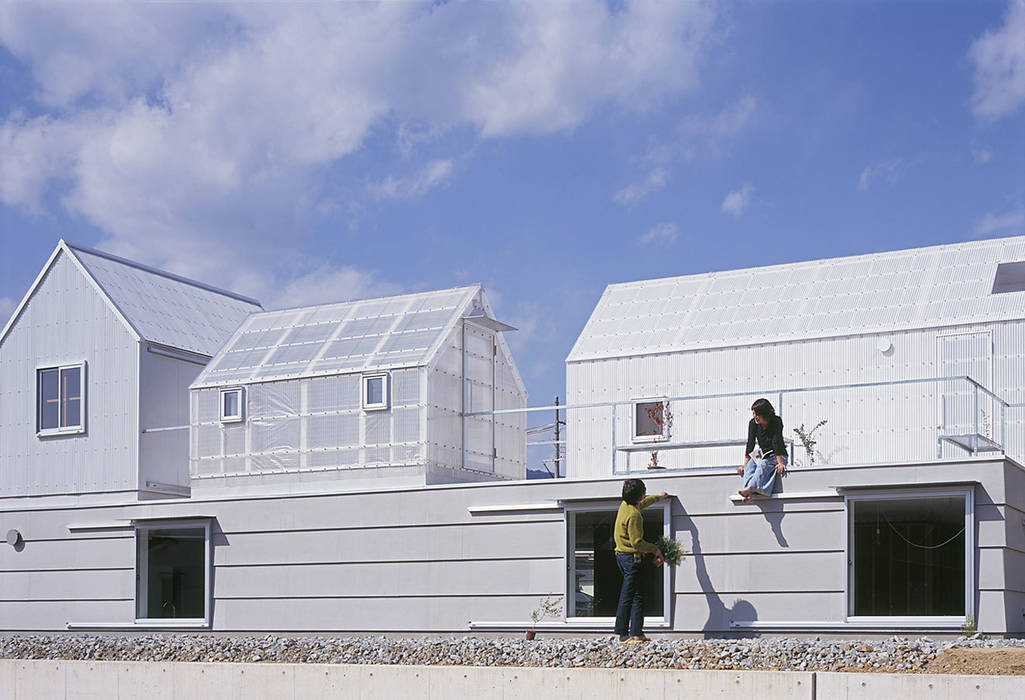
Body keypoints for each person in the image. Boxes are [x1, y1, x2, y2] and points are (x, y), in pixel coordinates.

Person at [613, 478, 668, 644]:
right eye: (644, 491)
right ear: (639, 495)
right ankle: (623, 635)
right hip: (631, 559)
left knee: (637, 595)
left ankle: (636, 633)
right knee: (628, 596)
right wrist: (655, 549)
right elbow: (637, 542)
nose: (645, 493)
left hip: (622, 557)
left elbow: (643, 503)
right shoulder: (634, 515)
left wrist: (658, 497)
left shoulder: (626, 505)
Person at [736, 398, 788, 502]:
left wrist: (780, 463)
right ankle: (748, 493)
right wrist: (744, 465)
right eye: (753, 414)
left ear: (764, 413)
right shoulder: (753, 423)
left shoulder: (776, 421)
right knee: (750, 465)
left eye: (756, 414)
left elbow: (776, 441)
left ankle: (752, 489)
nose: (754, 416)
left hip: (778, 455)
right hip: (763, 454)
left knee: (763, 463)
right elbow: (750, 444)